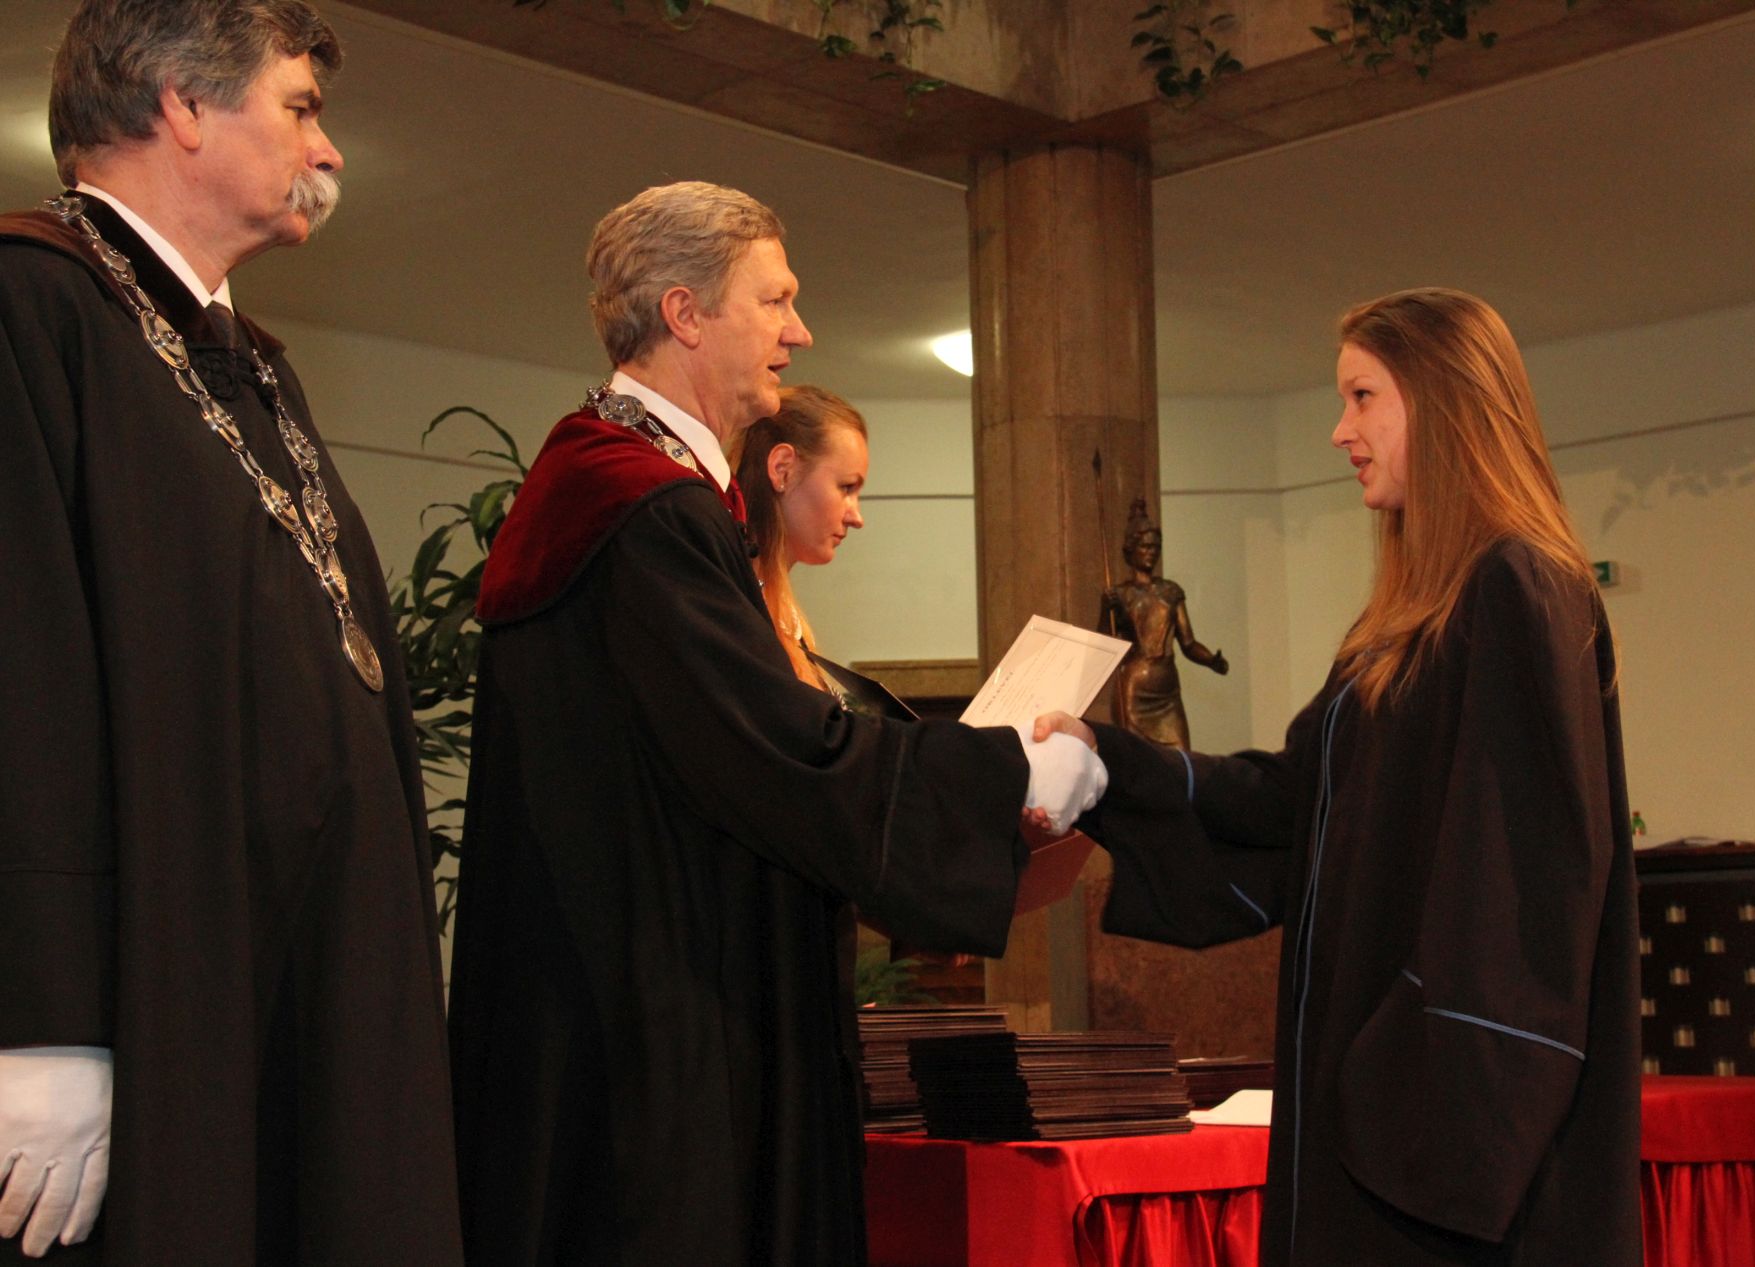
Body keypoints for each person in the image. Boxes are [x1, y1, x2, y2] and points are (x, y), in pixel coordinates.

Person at [447, 181, 1104, 1266]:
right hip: (660, 1046)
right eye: (776, 300)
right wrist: (1013, 771)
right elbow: (781, 756)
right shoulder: (643, 506)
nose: (799, 332)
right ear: (685, 313)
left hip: (623, 1014)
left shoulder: (616, 488)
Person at [1035, 288, 1640, 1265]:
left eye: (1362, 397)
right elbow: (1291, 804)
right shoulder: (1400, 626)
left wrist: (1402, 1072)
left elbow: (1527, 883)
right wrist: (1106, 765)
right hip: (1374, 1112)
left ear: (1441, 401)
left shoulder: (1518, 586)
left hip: (1444, 1146)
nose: (1338, 431)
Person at [0, 2, 461, 1263]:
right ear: (184, 106)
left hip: (305, 972)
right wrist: (41, 1018)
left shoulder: (248, 362)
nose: (330, 150)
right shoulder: (29, 305)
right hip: (155, 985)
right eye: (300, 109)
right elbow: (22, 669)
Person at [731, 384, 869, 693]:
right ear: (782, 469)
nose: (856, 518)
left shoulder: (777, 606)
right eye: (846, 487)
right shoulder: (739, 602)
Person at [1099, 497, 1229, 749]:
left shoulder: (1171, 591)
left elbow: (1188, 644)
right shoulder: (1120, 595)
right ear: (1131, 550)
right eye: (1145, 546)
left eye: (1155, 547)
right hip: (1134, 689)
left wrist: (1211, 660)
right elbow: (1105, 644)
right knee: (1138, 759)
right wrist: (1107, 610)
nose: (1151, 552)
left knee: (1181, 755)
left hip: (1167, 689)